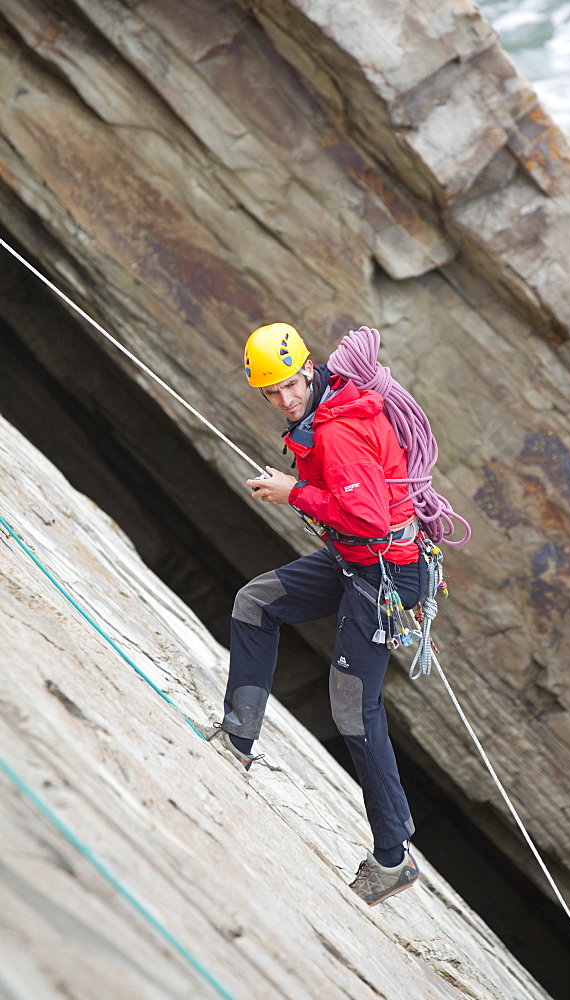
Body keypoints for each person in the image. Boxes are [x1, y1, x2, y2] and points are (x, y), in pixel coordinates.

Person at [210, 321, 427, 906]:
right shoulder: (325, 408)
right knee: (255, 603)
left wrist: (293, 493)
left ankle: (392, 858)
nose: (284, 399)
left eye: (289, 384)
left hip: (385, 569)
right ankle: (237, 737)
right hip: (358, 561)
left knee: (354, 707)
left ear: (309, 368)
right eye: (271, 392)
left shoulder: (336, 431)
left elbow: (369, 519)